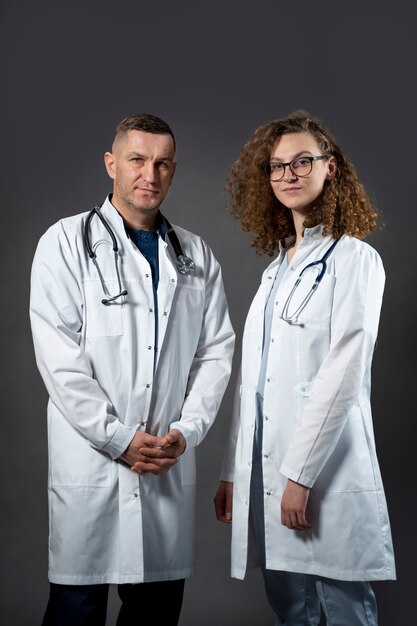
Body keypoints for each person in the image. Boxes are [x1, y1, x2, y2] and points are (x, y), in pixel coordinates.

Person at [30, 112, 235, 626]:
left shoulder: (196, 256)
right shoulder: (64, 243)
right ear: (111, 164)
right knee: (77, 608)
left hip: (166, 461)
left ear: (174, 169)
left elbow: (216, 353)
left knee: (156, 612)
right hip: (92, 463)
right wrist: (116, 436)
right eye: (137, 160)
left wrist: (186, 431)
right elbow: (59, 359)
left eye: (163, 163)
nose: (150, 174)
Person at [214, 110, 395, 625]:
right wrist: (233, 471)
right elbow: (254, 384)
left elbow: (343, 373)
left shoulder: (354, 260)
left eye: (302, 162)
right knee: (292, 609)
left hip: (320, 474)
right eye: (276, 166)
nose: (288, 175)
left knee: (341, 608)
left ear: (330, 168)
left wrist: (300, 475)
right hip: (267, 472)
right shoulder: (276, 272)